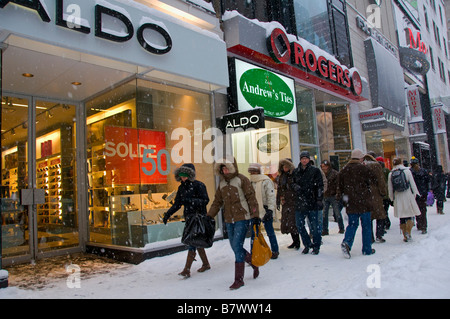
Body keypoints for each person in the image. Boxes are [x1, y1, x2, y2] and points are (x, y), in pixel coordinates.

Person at [207, 156, 260, 290]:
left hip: (242, 217)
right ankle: (253, 263)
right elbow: (217, 201)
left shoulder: (242, 180)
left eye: (227, 168)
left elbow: (251, 198)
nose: (225, 171)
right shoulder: (222, 183)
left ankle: (239, 280)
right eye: (222, 168)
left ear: (232, 167)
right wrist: (209, 216)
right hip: (229, 219)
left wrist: (255, 215)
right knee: (234, 246)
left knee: (237, 245)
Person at [162, 163, 210, 278]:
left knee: (191, 241)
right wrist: (167, 214)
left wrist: (191, 201)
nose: (183, 178)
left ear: (190, 175)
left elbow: (205, 200)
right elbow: (177, 204)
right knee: (195, 240)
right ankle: (206, 263)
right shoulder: (181, 188)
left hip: (198, 217)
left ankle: (187, 269)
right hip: (189, 218)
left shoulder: (199, 185)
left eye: (185, 176)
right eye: (181, 176)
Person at [338, 149, 375, 258]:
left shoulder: (344, 170)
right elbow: (372, 180)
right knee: (366, 225)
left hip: (351, 202)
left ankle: (347, 242)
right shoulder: (364, 169)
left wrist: (344, 200)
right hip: (364, 202)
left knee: (352, 224)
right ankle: (367, 248)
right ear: (360, 158)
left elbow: (340, 186)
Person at [291, 151, 324, 255]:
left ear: (309, 159)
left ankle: (316, 245)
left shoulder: (315, 171)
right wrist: (295, 187)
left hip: (312, 201)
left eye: (306, 158)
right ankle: (307, 244)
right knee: (299, 225)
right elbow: (292, 183)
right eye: (302, 158)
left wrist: (319, 198)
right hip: (300, 202)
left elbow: (320, 185)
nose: (304, 160)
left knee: (314, 226)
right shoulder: (296, 171)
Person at [248, 163, 279, 259]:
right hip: (254, 210)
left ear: (258, 171)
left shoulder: (266, 181)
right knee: (254, 233)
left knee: (270, 231)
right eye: (251, 171)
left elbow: (270, 196)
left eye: (254, 171)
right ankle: (254, 252)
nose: (253, 173)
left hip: (265, 209)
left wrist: (270, 210)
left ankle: (275, 250)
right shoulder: (249, 182)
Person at [388, 158, 421, 242]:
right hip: (407, 194)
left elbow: (390, 188)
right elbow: (412, 184)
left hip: (398, 196)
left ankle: (404, 235)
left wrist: (391, 198)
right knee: (410, 215)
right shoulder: (407, 171)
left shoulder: (391, 173)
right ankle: (408, 232)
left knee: (402, 217)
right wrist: (415, 194)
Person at [363, 154, 388, 243]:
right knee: (380, 215)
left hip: (365, 194)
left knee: (368, 217)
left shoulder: (361, 166)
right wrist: (383, 192)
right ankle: (379, 235)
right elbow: (381, 180)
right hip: (376, 193)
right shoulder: (376, 166)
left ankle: (370, 237)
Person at [276, 158, 300, 249]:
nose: (285, 168)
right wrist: (278, 201)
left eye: (286, 166)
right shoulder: (282, 176)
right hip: (285, 202)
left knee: (292, 222)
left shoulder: (294, 175)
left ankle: (297, 241)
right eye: (283, 166)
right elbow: (279, 189)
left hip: (293, 201)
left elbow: (297, 187)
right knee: (287, 223)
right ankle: (294, 240)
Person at [320, 160, 345, 235]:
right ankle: (325, 229)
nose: (324, 168)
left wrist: (337, 194)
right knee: (324, 214)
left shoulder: (334, 174)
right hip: (325, 195)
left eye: (325, 166)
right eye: (322, 166)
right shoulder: (321, 174)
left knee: (337, 212)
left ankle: (341, 228)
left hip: (333, 195)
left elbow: (338, 185)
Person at [410, 157, 430, 233]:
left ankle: (419, 224)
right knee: (423, 209)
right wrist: (427, 190)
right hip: (423, 192)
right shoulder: (423, 171)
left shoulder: (410, 172)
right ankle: (424, 226)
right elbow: (427, 181)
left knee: (416, 209)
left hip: (415, 193)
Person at [376, 156, 391, 230]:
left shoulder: (377, 171)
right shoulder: (386, 171)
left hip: (380, 194)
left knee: (382, 210)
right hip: (386, 194)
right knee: (385, 210)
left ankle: (385, 223)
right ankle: (386, 223)